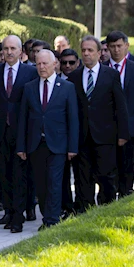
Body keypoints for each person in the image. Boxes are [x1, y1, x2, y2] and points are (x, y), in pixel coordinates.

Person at [16, 50, 79, 230]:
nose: (41, 67)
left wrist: (72, 147)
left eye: (45, 64)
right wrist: (21, 146)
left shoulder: (67, 87)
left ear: (54, 64)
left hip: (58, 144)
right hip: (36, 144)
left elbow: (72, 119)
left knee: (55, 182)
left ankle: (51, 221)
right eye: (38, 64)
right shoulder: (29, 87)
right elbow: (23, 119)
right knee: (41, 184)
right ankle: (47, 214)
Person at [67, 35, 129, 210]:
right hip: (82, 138)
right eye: (84, 50)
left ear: (99, 53)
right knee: (82, 177)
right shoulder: (74, 77)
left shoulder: (111, 75)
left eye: (90, 50)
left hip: (105, 137)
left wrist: (123, 134)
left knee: (106, 177)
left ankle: (108, 209)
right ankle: (84, 211)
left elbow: (120, 106)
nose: (86, 54)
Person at [0, 35, 37, 233]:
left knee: (20, 175)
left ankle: (18, 216)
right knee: (3, 174)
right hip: (0, 133)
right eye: (5, 48)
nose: (9, 52)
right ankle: (8, 210)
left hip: (21, 132)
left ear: (20, 50)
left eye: (13, 48)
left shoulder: (30, 72)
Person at [105, 31, 134, 199]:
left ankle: (126, 195)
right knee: (109, 166)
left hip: (131, 126)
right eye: (113, 47)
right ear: (107, 48)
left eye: (119, 46)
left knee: (127, 165)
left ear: (126, 46)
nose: (116, 50)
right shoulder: (102, 68)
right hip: (107, 127)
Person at [58, 48, 81, 216]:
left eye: (71, 62)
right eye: (64, 62)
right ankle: (66, 206)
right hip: (59, 136)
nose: (67, 66)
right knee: (63, 175)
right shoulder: (54, 81)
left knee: (81, 173)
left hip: (82, 134)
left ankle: (80, 205)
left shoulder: (82, 79)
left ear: (77, 63)